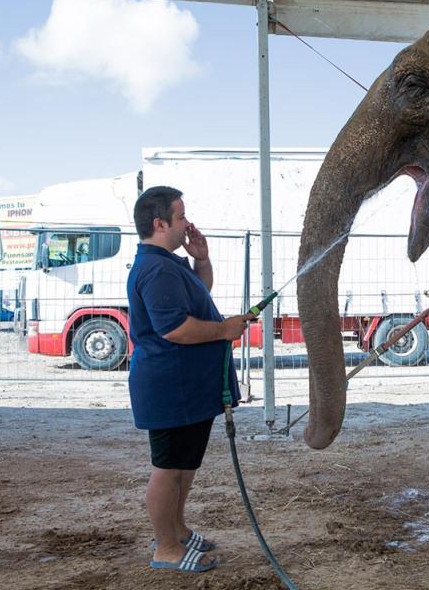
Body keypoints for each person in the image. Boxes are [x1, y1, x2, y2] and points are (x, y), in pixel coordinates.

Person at [127, 186, 252, 573]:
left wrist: (202, 259)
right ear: (159, 223)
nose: (188, 224)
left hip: (187, 387)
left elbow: (201, 294)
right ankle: (165, 547)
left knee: (184, 465)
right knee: (168, 468)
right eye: (181, 217)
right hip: (170, 387)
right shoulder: (156, 268)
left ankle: (178, 530)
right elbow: (175, 328)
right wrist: (224, 330)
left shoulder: (170, 263)